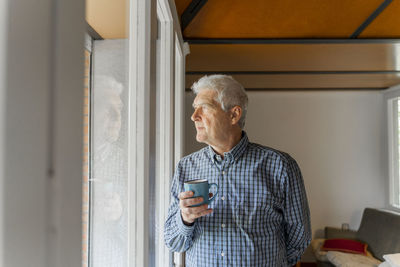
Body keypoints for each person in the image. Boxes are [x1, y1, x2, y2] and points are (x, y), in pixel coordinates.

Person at [164, 74, 311, 266]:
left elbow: (299, 238)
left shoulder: (280, 166)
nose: (194, 116)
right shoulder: (186, 167)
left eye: (205, 107)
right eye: (194, 108)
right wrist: (185, 220)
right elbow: (173, 241)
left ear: (234, 115)